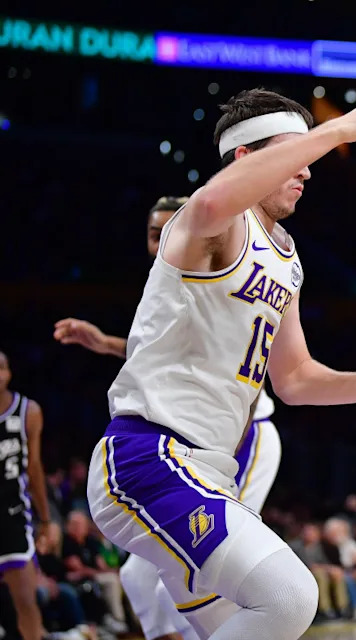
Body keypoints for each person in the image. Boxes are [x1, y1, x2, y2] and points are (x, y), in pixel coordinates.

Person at [82, 88, 356, 640]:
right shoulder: (214, 224)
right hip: (149, 457)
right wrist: (336, 131)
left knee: (236, 625)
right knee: (290, 597)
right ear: (246, 158)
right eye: (296, 154)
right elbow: (211, 204)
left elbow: (293, 380)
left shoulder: (286, 256)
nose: (308, 171)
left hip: (210, 470)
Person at [55, 194, 286, 640]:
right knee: (137, 577)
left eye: (167, 230)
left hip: (241, 436)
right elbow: (167, 356)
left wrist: (223, 456)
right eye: (152, 233)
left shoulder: (217, 265)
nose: (160, 239)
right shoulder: (168, 273)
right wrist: (104, 342)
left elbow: (232, 371)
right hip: (176, 448)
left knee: (223, 572)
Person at [0, 350, 53, 640]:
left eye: (2, 368)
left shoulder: (28, 411)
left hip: (12, 516)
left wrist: (45, 521)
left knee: (27, 602)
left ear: (9, 373)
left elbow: (34, 469)